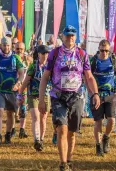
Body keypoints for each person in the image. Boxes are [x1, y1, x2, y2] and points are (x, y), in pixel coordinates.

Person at [38, 25, 101, 171]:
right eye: (67, 35)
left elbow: (89, 76)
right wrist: (41, 99)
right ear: (62, 36)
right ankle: (63, 163)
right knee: (62, 129)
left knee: (72, 132)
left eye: (73, 35)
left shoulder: (81, 54)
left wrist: (95, 94)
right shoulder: (54, 54)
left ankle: (69, 159)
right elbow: (45, 77)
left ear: (76, 36)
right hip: (58, 95)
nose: (70, 37)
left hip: (76, 96)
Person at [89, 40, 116, 156]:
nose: (104, 53)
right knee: (98, 122)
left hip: (110, 95)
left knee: (112, 120)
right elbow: (87, 77)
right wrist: (92, 94)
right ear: (98, 49)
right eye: (102, 50)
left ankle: (106, 137)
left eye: (107, 51)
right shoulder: (93, 61)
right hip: (97, 95)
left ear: (110, 50)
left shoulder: (114, 60)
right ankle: (98, 146)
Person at [17, 44, 51, 151]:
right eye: (43, 53)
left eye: (47, 53)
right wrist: (20, 94)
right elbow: (26, 81)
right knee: (36, 117)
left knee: (43, 118)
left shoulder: (50, 66)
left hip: (46, 94)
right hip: (33, 94)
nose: (45, 56)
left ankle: (41, 139)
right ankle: (36, 140)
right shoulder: (33, 66)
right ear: (38, 54)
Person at [14, 41, 31, 138]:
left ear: (24, 50)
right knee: (13, 108)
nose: (19, 51)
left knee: (23, 109)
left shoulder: (28, 59)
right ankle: (12, 129)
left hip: (23, 87)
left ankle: (22, 130)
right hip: (13, 86)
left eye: (21, 49)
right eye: (17, 49)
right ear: (14, 49)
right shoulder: (12, 59)